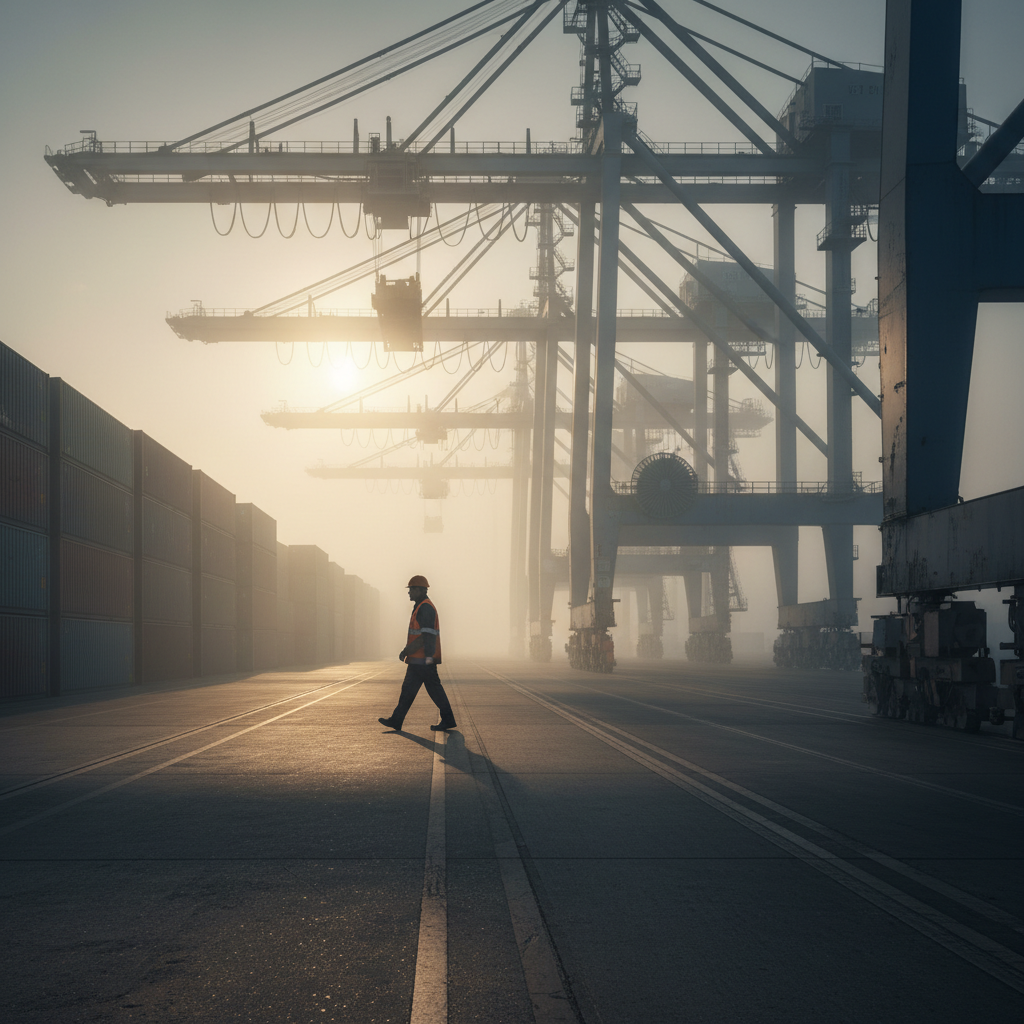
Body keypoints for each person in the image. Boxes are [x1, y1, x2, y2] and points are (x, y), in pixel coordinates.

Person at [378, 575, 457, 732]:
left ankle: (447, 719)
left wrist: (408, 652)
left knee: (430, 691)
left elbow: (425, 636)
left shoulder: (425, 608)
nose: (409, 593)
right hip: (418, 660)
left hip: (423, 660)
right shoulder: (421, 606)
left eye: (412, 589)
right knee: (410, 690)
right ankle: (396, 720)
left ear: (421, 590)